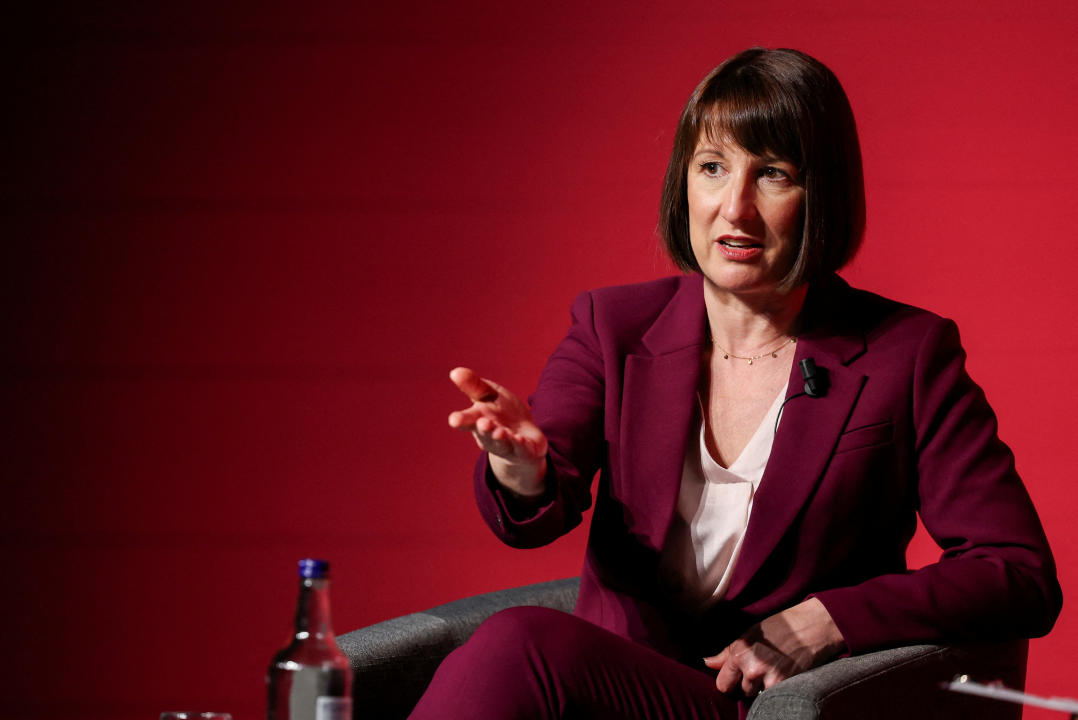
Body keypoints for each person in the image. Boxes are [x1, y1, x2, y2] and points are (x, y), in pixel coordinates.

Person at [409, 48, 1062, 719]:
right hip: (620, 695)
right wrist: (521, 467)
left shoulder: (907, 354)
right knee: (516, 646)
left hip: (778, 706)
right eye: (713, 168)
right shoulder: (614, 326)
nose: (736, 208)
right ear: (683, 183)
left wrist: (828, 620)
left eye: (773, 174)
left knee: (521, 644)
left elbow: (1018, 572)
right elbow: (541, 499)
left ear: (822, 195)